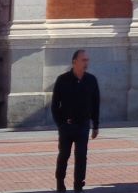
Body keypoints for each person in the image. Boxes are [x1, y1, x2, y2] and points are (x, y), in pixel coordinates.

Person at [50, 49, 101, 192]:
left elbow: (96, 103)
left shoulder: (91, 80)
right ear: (74, 62)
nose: (86, 63)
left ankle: (78, 185)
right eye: (83, 60)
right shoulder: (62, 80)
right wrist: (60, 124)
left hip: (83, 125)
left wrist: (95, 125)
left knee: (81, 157)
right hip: (67, 125)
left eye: (87, 60)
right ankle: (60, 181)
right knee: (64, 155)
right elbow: (55, 105)